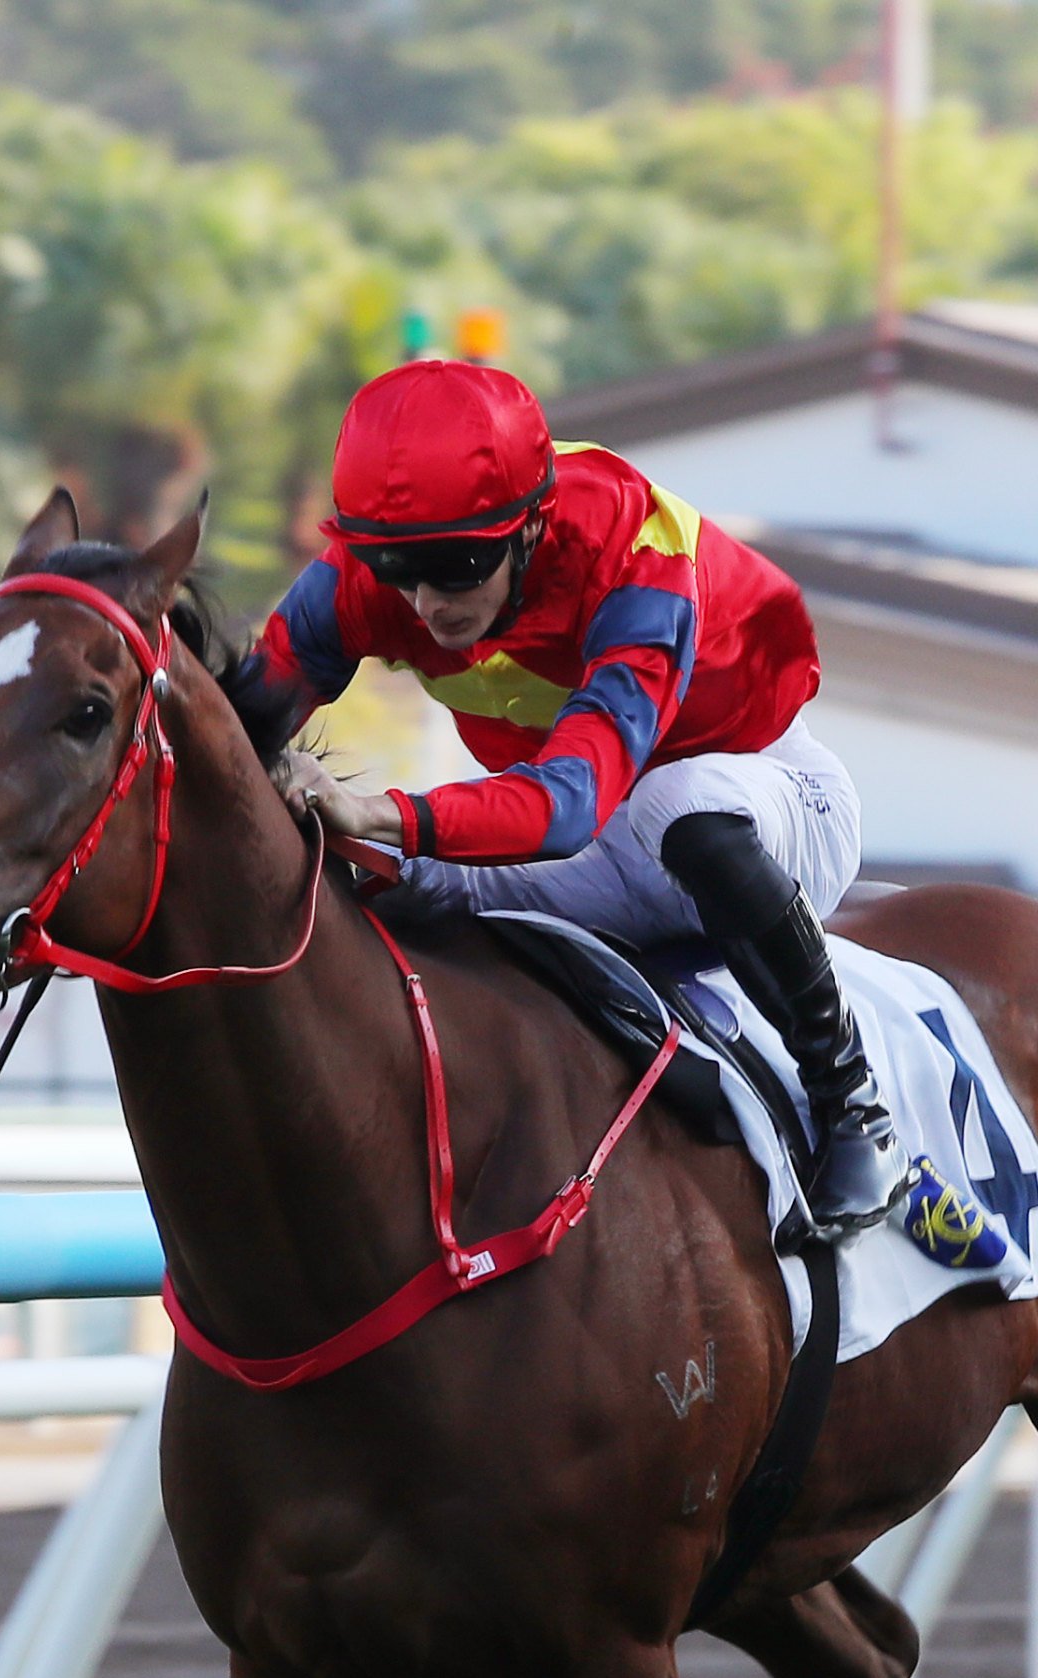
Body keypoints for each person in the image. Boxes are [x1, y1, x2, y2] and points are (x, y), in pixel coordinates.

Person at [238, 356, 897, 1234]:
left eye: (460, 565)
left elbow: (566, 808)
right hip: (590, 845)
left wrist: (381, 808)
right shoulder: (370, 581)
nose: (429, 601)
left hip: (762, 803)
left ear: (528, 529)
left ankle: (849, 1097)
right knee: (360, 869)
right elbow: (236, 730)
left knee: (675, 808)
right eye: (398, 566)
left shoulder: (632, 556)